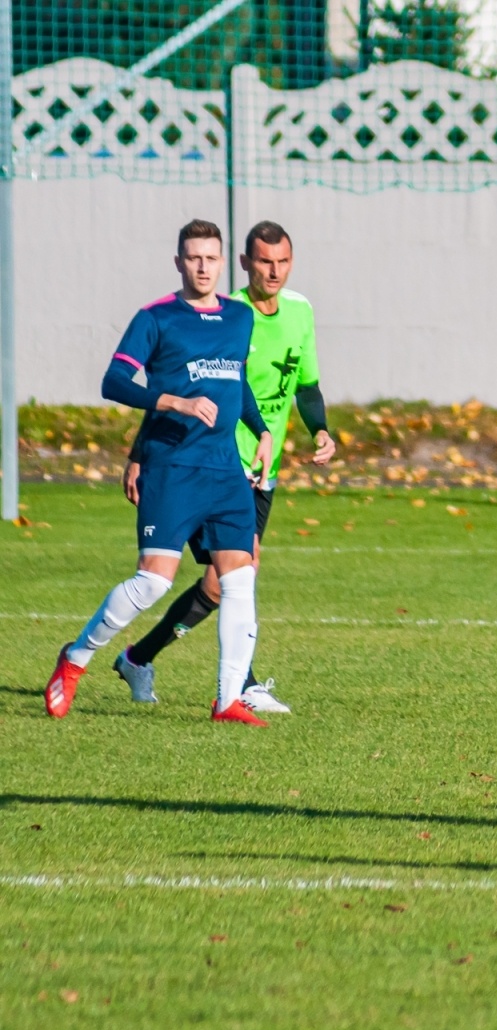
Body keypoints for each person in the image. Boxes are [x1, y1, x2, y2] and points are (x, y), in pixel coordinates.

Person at [45, 219, 274, 727]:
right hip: (172, 468)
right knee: (153, 582)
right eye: (193, 257)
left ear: (222, 261)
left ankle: (227, 699)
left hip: (225, 471)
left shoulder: (240, 318)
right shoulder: (155, 317)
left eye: (211, 258)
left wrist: (260, 430)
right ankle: (76, 658)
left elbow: (236, 382)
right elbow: (113, 381)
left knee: (239, 578)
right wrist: (171, 401)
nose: (202, 266)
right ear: (178, 262)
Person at [113, 220, 334, 714]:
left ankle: (137, 657)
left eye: (282, 262)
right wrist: (138, 453)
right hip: (208, 463)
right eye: (263, 262)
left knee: (219, 583)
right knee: (238, 572)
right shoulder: (223, 313)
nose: (273, 272)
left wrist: (319, 429)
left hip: (263, 466)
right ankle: (241, 687)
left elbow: (306, 384)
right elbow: (174, 384)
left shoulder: (299, 312)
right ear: (245, 264)